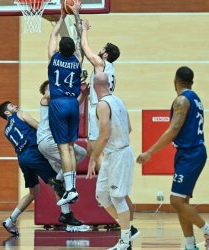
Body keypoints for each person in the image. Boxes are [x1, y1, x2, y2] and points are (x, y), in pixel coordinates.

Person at [136, 66, 209, 250]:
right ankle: (190, 245)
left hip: (191, 153)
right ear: (191, 82)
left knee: (175, 201)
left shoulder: (182, 100)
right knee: (182, 202)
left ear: (175, 81)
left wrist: (150, 151)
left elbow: (174, 129)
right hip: (189, 153)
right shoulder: (196, 98)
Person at [0, 101, 88, 235]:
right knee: (58, 184)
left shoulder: (6, 130)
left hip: (23, 159)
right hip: (34, 154)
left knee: (34, 192)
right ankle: (69, 222)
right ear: (7, 112)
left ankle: (10, 220)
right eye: (11, 106)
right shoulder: (20, 114)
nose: (15, 106)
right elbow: (38, 126)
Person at [86, 73, 138, 250]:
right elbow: (129, 128)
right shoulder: (119, 100)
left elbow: (105, 134)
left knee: (117, 197)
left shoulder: (102, 104)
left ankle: (124, 241)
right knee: (101, 194)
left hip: (119, 155)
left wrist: (93, 157)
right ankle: (128, 230)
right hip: (112, 154)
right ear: (108, 85)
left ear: (94, 86)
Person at [37, 80, 90, 232]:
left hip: (52, 143)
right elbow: (48, 95)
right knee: (79, 153)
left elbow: (74, 105)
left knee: (63, 185)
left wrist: (84, 94)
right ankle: (57, 180)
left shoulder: (60, 104)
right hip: (48, 141)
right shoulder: (45, 100)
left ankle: (67, 217)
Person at [71, 2, 121, 159]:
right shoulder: (109, 68)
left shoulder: (101, 63)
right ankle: (105, 176)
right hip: (105, 105)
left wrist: (84, 29)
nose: (101, 50)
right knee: (95, 148)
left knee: (94, 148)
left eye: (103, 49)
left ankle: (104, 180)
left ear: (105, 54)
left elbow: (85, 48)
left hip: (98, 107)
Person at [47, 9, 83, 206]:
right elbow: (79, 41)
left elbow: (53, 35)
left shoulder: (54, 58)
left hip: (58, 103)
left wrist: (61, 18)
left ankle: (70, 189)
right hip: (73, 103)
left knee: (63, 149)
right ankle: (72, 187)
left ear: (60, 48)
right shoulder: (77, 60)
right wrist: (76, 17)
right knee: (70, 147)